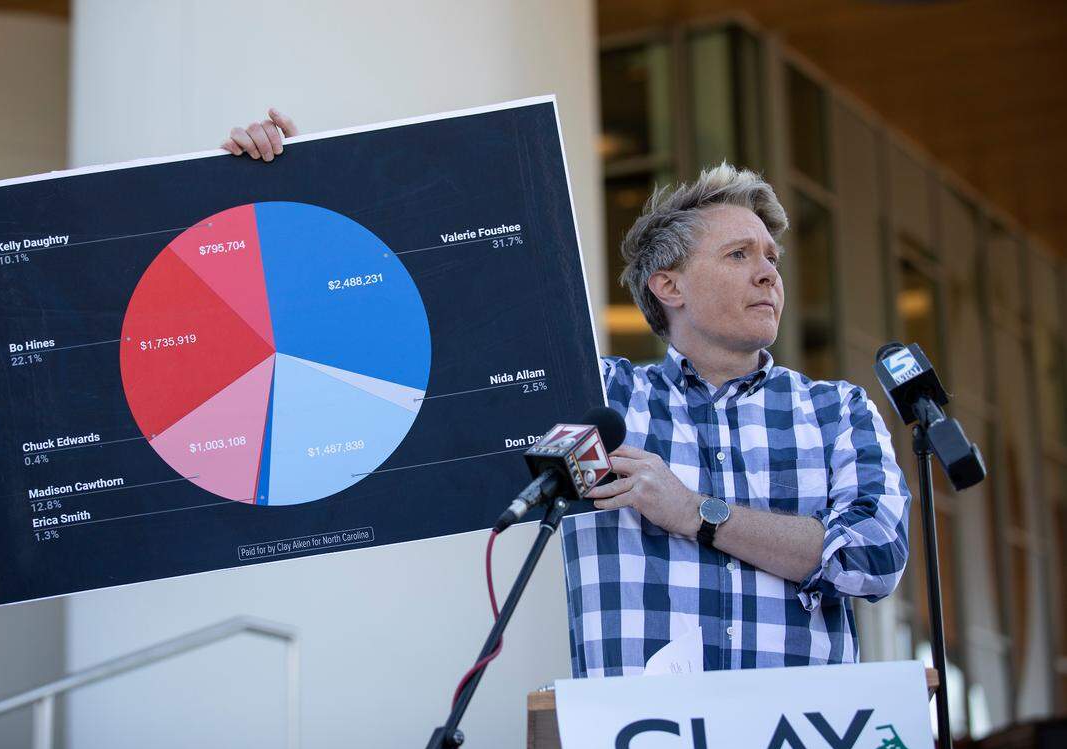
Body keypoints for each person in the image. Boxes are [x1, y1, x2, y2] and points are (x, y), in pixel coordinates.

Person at [222, 111, 911, 677]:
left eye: (771, 258)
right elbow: (414, 361)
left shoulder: (838, 411)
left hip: (804, 740)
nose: (769, 274)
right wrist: (307, 193)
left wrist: (694, 512)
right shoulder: (596, 397)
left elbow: (875, 558)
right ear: (667, 285)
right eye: (739, 255)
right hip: (642, 744)